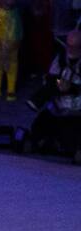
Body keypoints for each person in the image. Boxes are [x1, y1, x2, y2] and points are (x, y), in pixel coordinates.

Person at [28, 30, 81, 161]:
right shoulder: (61, 57)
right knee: (41, 123)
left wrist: (72, 87)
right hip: (60, 107)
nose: (71, 49)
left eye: (74, 47)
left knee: (73, 134)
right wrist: (58, 84)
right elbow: (51, 77)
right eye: (69, 45)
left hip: (78, 111)